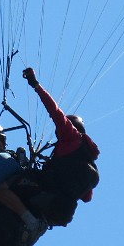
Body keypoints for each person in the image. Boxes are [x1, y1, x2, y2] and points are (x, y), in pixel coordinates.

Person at [22, 68, 100, 226]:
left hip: (49, 194)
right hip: (60, 208)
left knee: (17, 180)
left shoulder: (70, 136)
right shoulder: (86, 156)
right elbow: (87, 198)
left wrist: (36, 85)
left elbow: (55, 112)